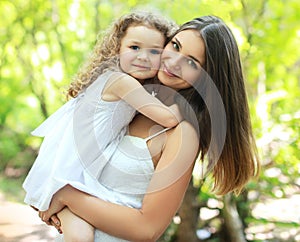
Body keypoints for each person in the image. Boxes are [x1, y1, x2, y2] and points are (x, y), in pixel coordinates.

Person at [39, 15, 260, 241]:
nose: (173, 62)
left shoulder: (183, 132)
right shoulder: (131, 103)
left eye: (192, 62)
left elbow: (147, 229)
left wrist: (68, 197)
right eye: (175, 45)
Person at [22, 11, 181, 242]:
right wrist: (184, 108)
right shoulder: (121, 82)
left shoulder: (125, 82)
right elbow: (167, 118)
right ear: (118, 48)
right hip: (71, 172)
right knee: (81, 238)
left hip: (80, 173)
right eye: (134, 47)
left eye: (154, 51)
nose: (143, 57)